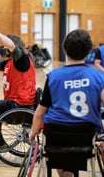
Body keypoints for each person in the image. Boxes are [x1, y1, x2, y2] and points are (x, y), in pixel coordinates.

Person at [29, 29, 104, 177]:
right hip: (85, 136)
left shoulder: (54, 76)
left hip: (56, 135)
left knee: (58, 148)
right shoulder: (98, 76)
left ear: (64, 49)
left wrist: (33, 132)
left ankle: (66, 173)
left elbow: (39, 113)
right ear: (89, 50)